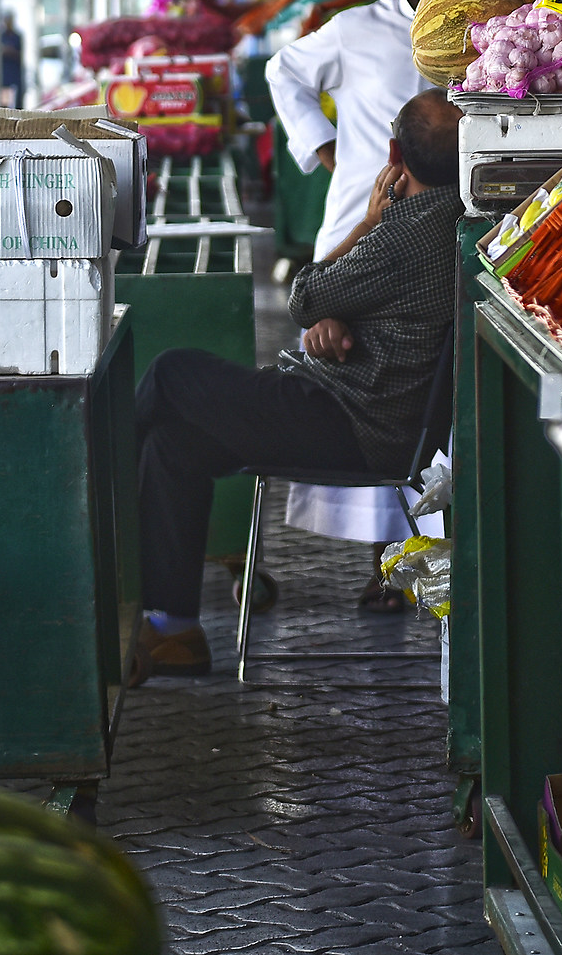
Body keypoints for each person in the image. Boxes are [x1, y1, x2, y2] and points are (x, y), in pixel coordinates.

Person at [127, 90, 465, 681]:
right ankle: (171, 630)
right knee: (174, 446)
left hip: (351, 420)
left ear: (394, 155)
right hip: (355, 406)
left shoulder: (407, 232)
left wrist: (362, 224)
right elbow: (324, 302)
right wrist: (333, 312)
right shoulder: (447, 220)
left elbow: (306, 293)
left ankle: (90, 521)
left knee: (172, 373)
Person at [265, 0, 469, 606]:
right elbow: (282, 72)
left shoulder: (493, 20)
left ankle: (425, 553)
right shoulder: (356, 29)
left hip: (446, 245)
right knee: (367, 386)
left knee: (429, 392)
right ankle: (382, 565)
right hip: (361, 238)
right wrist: (318, 148)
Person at [0, 9, 26, 109]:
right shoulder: (0, 36)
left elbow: (20, 54)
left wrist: (10, 51)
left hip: (15, 72)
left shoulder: (17, 36)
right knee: (4, 100)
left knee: (17, 100)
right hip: (5, 73)